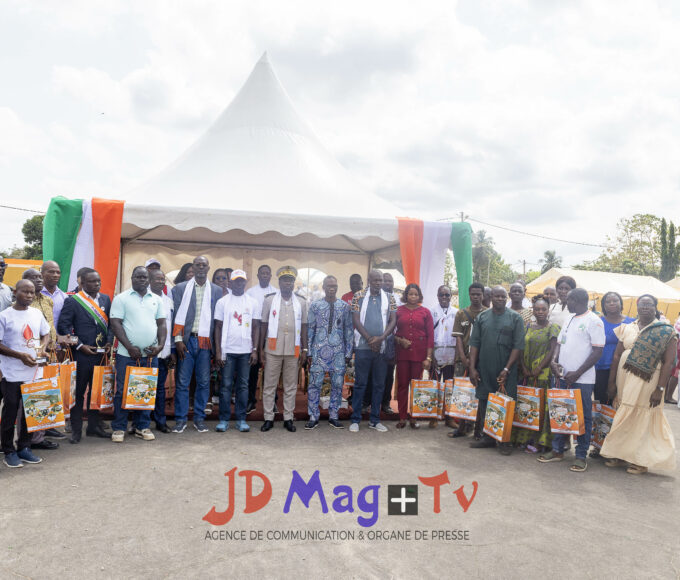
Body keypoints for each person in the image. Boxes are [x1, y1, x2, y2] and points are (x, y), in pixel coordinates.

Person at [601, 295, 677, 474]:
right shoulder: (627, 327)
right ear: (637, 307)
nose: (645, 307)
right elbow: (617, 356)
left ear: (656, 307)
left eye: (649, 304)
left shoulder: (666, 331)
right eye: (642, 304)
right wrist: (611, 382)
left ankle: (640, 460)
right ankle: (620, 455)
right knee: (625, 413)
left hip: (649, 381)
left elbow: (669, 363)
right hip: (624, 378)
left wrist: (660, 389)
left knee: (643, 416)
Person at [539, 288, 605, 472]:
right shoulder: (569, 318)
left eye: (568, 300)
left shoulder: (594, 321)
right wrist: (553, 361)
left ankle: (581, 455)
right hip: (562, 377)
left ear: (577, 300)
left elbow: (598, 351)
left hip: (582, 379)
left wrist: (578, 372)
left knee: (583, 417)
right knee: (560, 412)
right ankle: (557, 450)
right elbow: (559, 344)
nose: (565, 302)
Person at [109, 266, 166, 443]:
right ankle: (119, 427)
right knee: (122, 391)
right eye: (138, 277)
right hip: (126, 354)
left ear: (148, 279)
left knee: (146, 389)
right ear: (132, 278)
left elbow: (162, 324)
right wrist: (129, 346)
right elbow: (115, 323)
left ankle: (142, 426)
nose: (141, 279)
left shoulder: (156, 299)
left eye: (144, 277)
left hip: (150, 355)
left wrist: (160, 346)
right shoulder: (121, 298)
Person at [57, 268, 113, 443]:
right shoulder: (73, 301)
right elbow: (63, 327)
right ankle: (76, 430)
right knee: (79, 393)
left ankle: (93, 427)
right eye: (92, 281)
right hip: (81, 355)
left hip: (101, 355)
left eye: (98, 281)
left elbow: (111, 324)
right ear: (82, 283)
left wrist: (109, 341)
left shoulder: (105, 299)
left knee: (96, 392)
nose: (97, 284)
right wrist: (80, 345)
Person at [468, 286, 525, 455]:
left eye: (503, 297)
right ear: (491, 297)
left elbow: (518, 346)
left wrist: (507, 368)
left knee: (506, 404)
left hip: (506, 371)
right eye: (497, 296)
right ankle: (488, 437)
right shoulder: (482, 317)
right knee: (485, 401)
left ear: (507, 298)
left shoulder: (515, 318)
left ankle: (504, 441)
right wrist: (472, 368)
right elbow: (474, 343)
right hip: (484, 368)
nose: (500, 299)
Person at [0, 279, 48, 468]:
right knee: (10, 410)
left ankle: (24, 447)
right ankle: (8, 450)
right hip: (11, 373)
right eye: (25, 292)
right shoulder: (4, 316)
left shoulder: (36, 313)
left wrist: (42, 348)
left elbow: (45, 333)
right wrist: (20, 355)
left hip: (34, 372)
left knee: (31, 411)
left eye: (32, 292)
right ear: (15, 292)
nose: (29, 295)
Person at [171, 256, 222, 433]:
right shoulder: (180, 288)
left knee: (203, 382)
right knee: (182, 382)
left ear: (208, 268)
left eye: (203, 265)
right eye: (197, 265)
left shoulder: (216, 290)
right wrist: (178, 340)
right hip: (186, 341)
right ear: (193, 267)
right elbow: (176, 315)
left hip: (205, 342)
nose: (200, 267)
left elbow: (217, 320)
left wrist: (217, 348)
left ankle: (199, 419)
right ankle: (180, 419)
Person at [259, 266, 308, 433]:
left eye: (291, 280)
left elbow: (304, 326)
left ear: (294, 283)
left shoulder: (301, 302)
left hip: (293, 349)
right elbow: (263, 324)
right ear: (279, 282)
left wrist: (305, 349)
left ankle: (288, 418)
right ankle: (268, 418)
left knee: (290, 386)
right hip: (272, 348)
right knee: (269, 385)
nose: (288, 283)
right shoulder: (269, 300)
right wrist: (260, 348)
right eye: (285, 280)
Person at [350, 270, 397, 433]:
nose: (378, 283)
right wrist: (370, 339)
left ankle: (375, 420)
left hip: (381, 348)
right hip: (363, 347)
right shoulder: (358, 296)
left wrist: (381, 338)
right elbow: (355, 319)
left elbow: (393, 320)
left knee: (379, 384)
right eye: (375, 280)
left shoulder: (390, 297)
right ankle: (355, 419)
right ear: (369, 280)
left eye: (380, 280)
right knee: (360, 384)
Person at [214, 269, 260, 433]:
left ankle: (241, 419)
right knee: (226, 385)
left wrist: (255, 350)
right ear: (230, 283)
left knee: (243, 385)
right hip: (227, 351)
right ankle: (224, 419)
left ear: (245, 283)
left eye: (242, 281)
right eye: (236, 281)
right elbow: (217, 327)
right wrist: (218, 351)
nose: (239, 283)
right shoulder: (222, 302)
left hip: (246, 351)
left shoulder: (253, 302)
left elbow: (256, 327)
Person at [306, 275, 353, 430]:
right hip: (318, 351)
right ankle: (313, 416)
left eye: (334, 286)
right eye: (329, 286)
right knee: (315, 384)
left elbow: (348, 331)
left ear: (337, 287)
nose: (332, 289)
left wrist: (348, 353)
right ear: (323, 287)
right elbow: (310, 329)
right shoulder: (315, 306)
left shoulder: (344, 307)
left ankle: (334, 415)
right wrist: (309, 351)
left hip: (338, 352)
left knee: (338, 385)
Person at [515, 294, 560, 452]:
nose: (540, 312)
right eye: (537, 309)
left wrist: (539, 367)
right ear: (532, 310)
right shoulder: (527, 326)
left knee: (541, 407)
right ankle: (524, 438)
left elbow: (552, 351)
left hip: (543, 375)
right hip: (527, 374)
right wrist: (523, 367)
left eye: (543, 309)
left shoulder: (553, 328)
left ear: (548, 311)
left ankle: (539, 441)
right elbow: (520, 347)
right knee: (527, 406)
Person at [21, 269, 59, 450]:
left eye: (39, 277)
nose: (38, 280)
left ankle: (40, 435)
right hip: (29, 358)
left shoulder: (47, 300)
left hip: (49, 354)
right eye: (33, 277)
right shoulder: (22, 305)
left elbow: (48, 329)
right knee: (30, 397)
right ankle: (28, 440)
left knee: (45, 394)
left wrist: (51, 344)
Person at [394, 283, 434, 429]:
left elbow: (430, 336)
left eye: (416, 294)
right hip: (402, 354)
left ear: (419, 296)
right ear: (406, 295)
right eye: (410, 294)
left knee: (416, 387)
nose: (413, 296)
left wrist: (428, 358)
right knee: (403, 385)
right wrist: (400, 340)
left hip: (419, 355)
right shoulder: (398, 311)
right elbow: (391, 332)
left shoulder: (425, 312)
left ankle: (414, 417)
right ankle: (402, 417)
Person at [450, 282, 487, 438]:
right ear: (469, 295)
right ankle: (461, 427)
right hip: (462, 360)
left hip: (481, 361)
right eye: (473, 294)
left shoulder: (488, 314)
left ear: (483, 295)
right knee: (462, 393)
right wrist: (464, 359)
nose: (476, 297)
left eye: (479, 294)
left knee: (479, 394)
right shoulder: (461, 314)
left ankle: (477, 429)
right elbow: (458, 338)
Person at [245, 264, 277, 414]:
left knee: (271, 370)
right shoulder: (250, 292)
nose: (265, 275)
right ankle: (251, 400)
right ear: (258, 276)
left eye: (267, 273)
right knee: (252, 370)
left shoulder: (276, 292)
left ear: (270, 276)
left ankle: (272, 401)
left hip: (271, 335)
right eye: (262, 273)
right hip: (254, 334)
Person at [594, 292, 634, 407]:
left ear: (621, 303)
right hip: (601, 368)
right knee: (602, 402)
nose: (612, 303)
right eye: (608, 301)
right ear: (603, 305)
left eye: (615, 300)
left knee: (622, 402)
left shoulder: (632, 323)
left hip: (624, 369)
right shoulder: (598, 322)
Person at [364, 271, 396, 414]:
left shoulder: (396, 299)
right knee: (370, 373)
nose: (387, 283)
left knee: (388, 375)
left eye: (390, 281)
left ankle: (386, 403)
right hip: (372, 341)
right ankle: (367, 402)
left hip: (390, 343)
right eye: (385, 280)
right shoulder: (371, 297)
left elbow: (395, 321)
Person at [149, 269, 174, 433]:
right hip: (147, 352)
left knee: (159, 389)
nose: (160, 281)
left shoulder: (169, 301)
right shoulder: (144, 299)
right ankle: (140, 422)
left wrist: (171, 350)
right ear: (149, 281)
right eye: (156, 279)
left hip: (164, 352)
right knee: (144, 386)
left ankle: (160, 421)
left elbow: (171, 327)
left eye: (162, 279)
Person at [431, 285, 457, 381]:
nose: (444, 297)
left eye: (447, 295)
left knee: (449, 383)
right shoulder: (431, 312)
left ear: (451, 296)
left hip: (451, 355)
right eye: (441, 295)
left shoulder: (456, 312)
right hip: (435, 353)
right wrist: (431, 356)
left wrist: (456, 357)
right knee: (434, 383)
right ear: (437, 296)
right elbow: (429, 335)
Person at [40, 261, 68, 328]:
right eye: (51, 272)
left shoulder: (64, 297)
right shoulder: (34, 295)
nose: (55, 275)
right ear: (41, 274)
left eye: (58, 272)